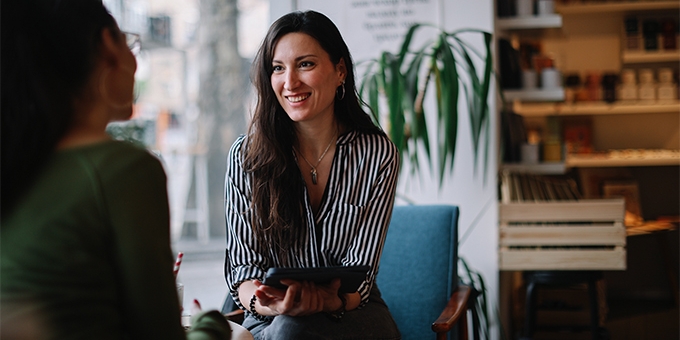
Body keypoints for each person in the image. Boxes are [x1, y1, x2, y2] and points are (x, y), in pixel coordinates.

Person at [0, 1, 231, 339]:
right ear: (109, 46)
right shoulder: (123, 171)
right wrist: (212, 325)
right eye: (132, 43)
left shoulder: (17, 165)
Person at [224, 10, 401, 340]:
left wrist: (328, 300)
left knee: (294, 330)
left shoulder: (377, 154)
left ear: (340, 71)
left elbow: (361, 275)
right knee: (289, 328)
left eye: (305, 64)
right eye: (278, 68)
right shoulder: (246, 156)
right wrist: (275, 306)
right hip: (269, 316)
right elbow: (243, 271)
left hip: (353, 310)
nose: (290, 82)